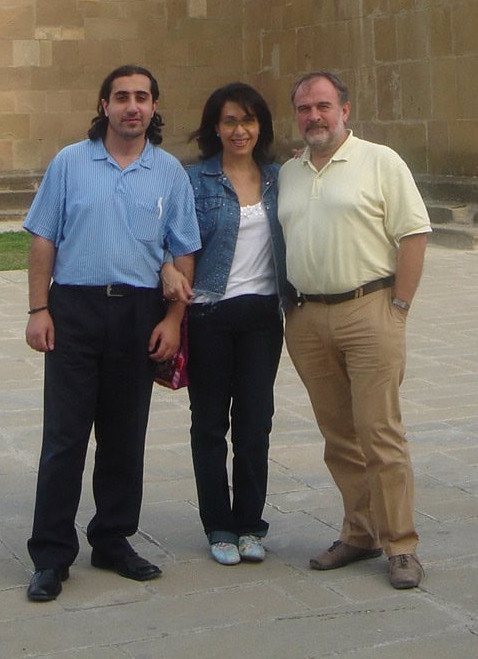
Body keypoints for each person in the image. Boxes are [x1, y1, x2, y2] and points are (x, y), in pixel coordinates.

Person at [23, 65, 200, 602]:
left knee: (125, 437)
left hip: (137, 314)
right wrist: (38, 309)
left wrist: (172, 321)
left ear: (154, 107)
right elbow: (43, 240)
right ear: (104, 105)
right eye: (121, 97)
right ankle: (51, 556)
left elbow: (185, 249)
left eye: (142, 97)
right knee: (64, 441)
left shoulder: (169, 172)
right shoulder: (70, 163)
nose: (132, 106)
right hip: (73, 309)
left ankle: (113, 539)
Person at [277, 71, 430, 590]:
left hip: (370, 309)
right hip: (306, 318)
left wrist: (399, 308)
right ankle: (359, 532)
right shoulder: (290, 173)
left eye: (323, 106)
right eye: (303, 109)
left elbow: (414, 234)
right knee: (339, 436)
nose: (313, 117)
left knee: (379, 431)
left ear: (345, 109)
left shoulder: (379, 161)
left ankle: (402, 544)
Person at [162, 83, 291, 567]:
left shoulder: (281, 178)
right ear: (215, 127)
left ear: (263, 126)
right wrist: (166, 272)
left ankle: (251, 524)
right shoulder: (194, 180)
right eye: (231, 121)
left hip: (262, 316)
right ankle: (218, 524)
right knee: (210, 425)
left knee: (255, 425)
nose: (241, 130)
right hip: (209, 313)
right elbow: (170, 239)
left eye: (250, 121)